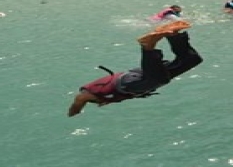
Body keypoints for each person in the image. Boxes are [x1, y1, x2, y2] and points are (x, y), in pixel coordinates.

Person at [68, 21, 202, 117]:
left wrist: (75, 110)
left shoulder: (96, 94)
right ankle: (173, 35)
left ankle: (147, 46)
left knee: (159, 80)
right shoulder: (108, 98)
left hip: (128, 82)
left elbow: (81, 97)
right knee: (191, 60)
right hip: (139, 76)